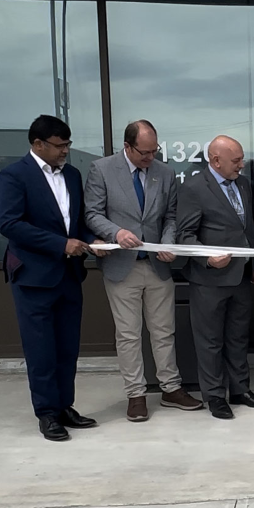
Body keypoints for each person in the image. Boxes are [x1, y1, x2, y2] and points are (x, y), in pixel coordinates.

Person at [84, 119, 202, 421]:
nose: (151, 158)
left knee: (164, 331)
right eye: (144, 153)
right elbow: (92, 213)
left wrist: (167, 242)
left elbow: (171, 216)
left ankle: (171, 388)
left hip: (157, 265)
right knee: (128, 334)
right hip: (122, 266)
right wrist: (115, 233)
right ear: (127, 146)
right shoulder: (102, 170)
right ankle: (135, 394)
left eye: (154, 151)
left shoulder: (164, 173)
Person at [0, 115, 98, 441]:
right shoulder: (14, 176)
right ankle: (47, 413)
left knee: (68, 347)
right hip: (34, 277)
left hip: (69, 275)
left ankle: (65, 405)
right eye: (60, 145)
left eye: (68, 144)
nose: (66, 151)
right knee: (41, 350)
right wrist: (60, 244)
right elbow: (10, 224)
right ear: (38, 144)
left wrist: (92, 242)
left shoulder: (72, 175)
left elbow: (76, 222)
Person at [176, 135, 254, 419]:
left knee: (238, 336)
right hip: (210, 279)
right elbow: (184, 235)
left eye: (241, 159)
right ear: (215, 160)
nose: (242, 165)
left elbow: (247, 227)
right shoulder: (193, 188)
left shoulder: (243, 185)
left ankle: (240, 389)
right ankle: (215, 395)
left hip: (241, 275)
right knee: (210, 340)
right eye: (236, 160)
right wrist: (207, 257)